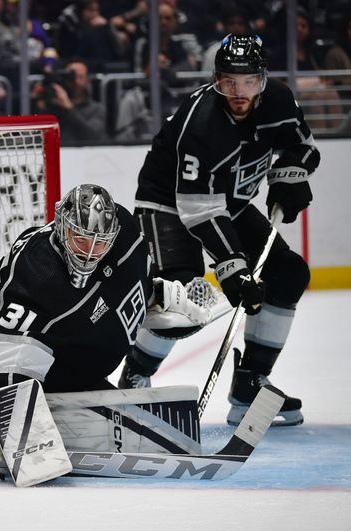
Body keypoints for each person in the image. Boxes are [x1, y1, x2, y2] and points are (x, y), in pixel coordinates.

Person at [120, 34, 320, 427]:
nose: (239, 92)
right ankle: (134, 379)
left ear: (262, 79)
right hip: (168, 204)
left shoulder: (279, 99)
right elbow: (197, 209)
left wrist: (290, 174)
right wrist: (233, 268)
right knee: (180, 297)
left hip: (229, 202)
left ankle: (249, 388)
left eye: (248, 81)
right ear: (216, 80)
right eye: (229, 81)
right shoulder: (203, 124)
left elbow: (304, 147)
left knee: (288, 273)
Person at [0, 184, 209, 395]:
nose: (89, 252)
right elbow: (5, 365)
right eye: (81, 239)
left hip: (61, 363)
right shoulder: (38, 271)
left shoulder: (126, 234)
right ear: (62, 227)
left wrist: (156, 296)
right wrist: (25, 435)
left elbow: (114, 287)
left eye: (100, 242)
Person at [32, 58, 108, 143]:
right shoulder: (51, 108)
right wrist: (36, 104)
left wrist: (69, 108)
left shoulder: (96, 109)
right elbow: (34, 138)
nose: (75, 81)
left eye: (80, 77)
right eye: (70, 77)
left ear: (87, 80)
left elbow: (92, 136)